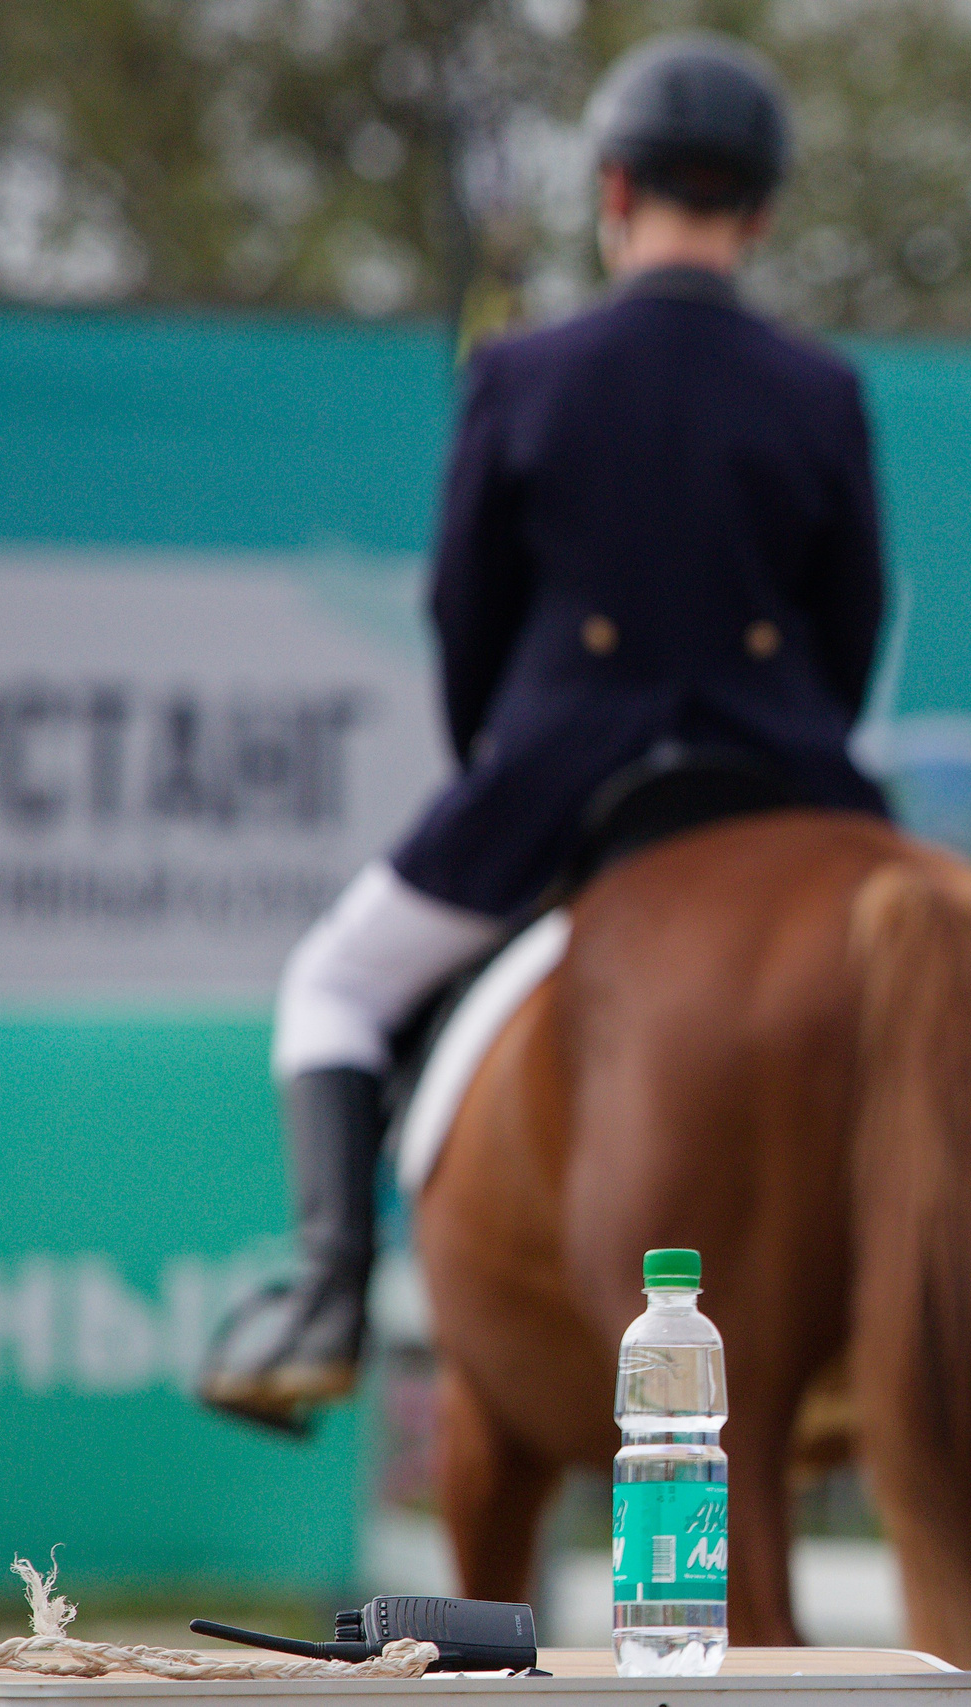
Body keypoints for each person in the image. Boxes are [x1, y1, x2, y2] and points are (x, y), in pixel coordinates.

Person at [198, 31, 888, 1431]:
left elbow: (466, 608)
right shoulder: (822, 387)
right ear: (759, 208)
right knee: (966, 960)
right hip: (785, 775)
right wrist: (803, 750)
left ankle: (326, 1298)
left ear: (615, 189)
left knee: (332, 983)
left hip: (566, 772)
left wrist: (498, 762)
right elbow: (850, 617)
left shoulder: (521, 372)